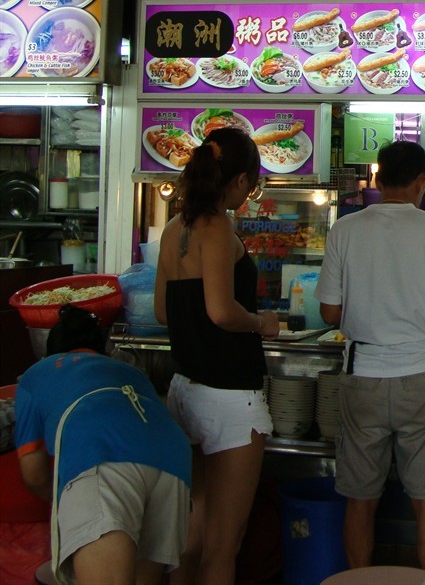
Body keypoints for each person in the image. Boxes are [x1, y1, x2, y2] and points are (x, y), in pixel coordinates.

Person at [316, 140, 425, 569]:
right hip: (422, 376)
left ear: (377, 178)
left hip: (362, 377)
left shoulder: (345, 229)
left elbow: (329, 311)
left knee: (360, 500)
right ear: (422, 182)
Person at [153, 126, 279, 585]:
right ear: (242, 181)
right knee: (226, 543)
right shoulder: (218, 225)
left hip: (184, 388)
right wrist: (260, 321)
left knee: (190, 534)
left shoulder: (174, 227)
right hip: (229, 396)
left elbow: (163, 311)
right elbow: (222, 311)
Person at [15, 305, 192, 585]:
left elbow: (34, 473)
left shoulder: (37, 374)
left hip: (101, 456)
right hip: (173, 459)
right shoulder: (128, 371)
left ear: (52, 352)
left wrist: (65, 501)